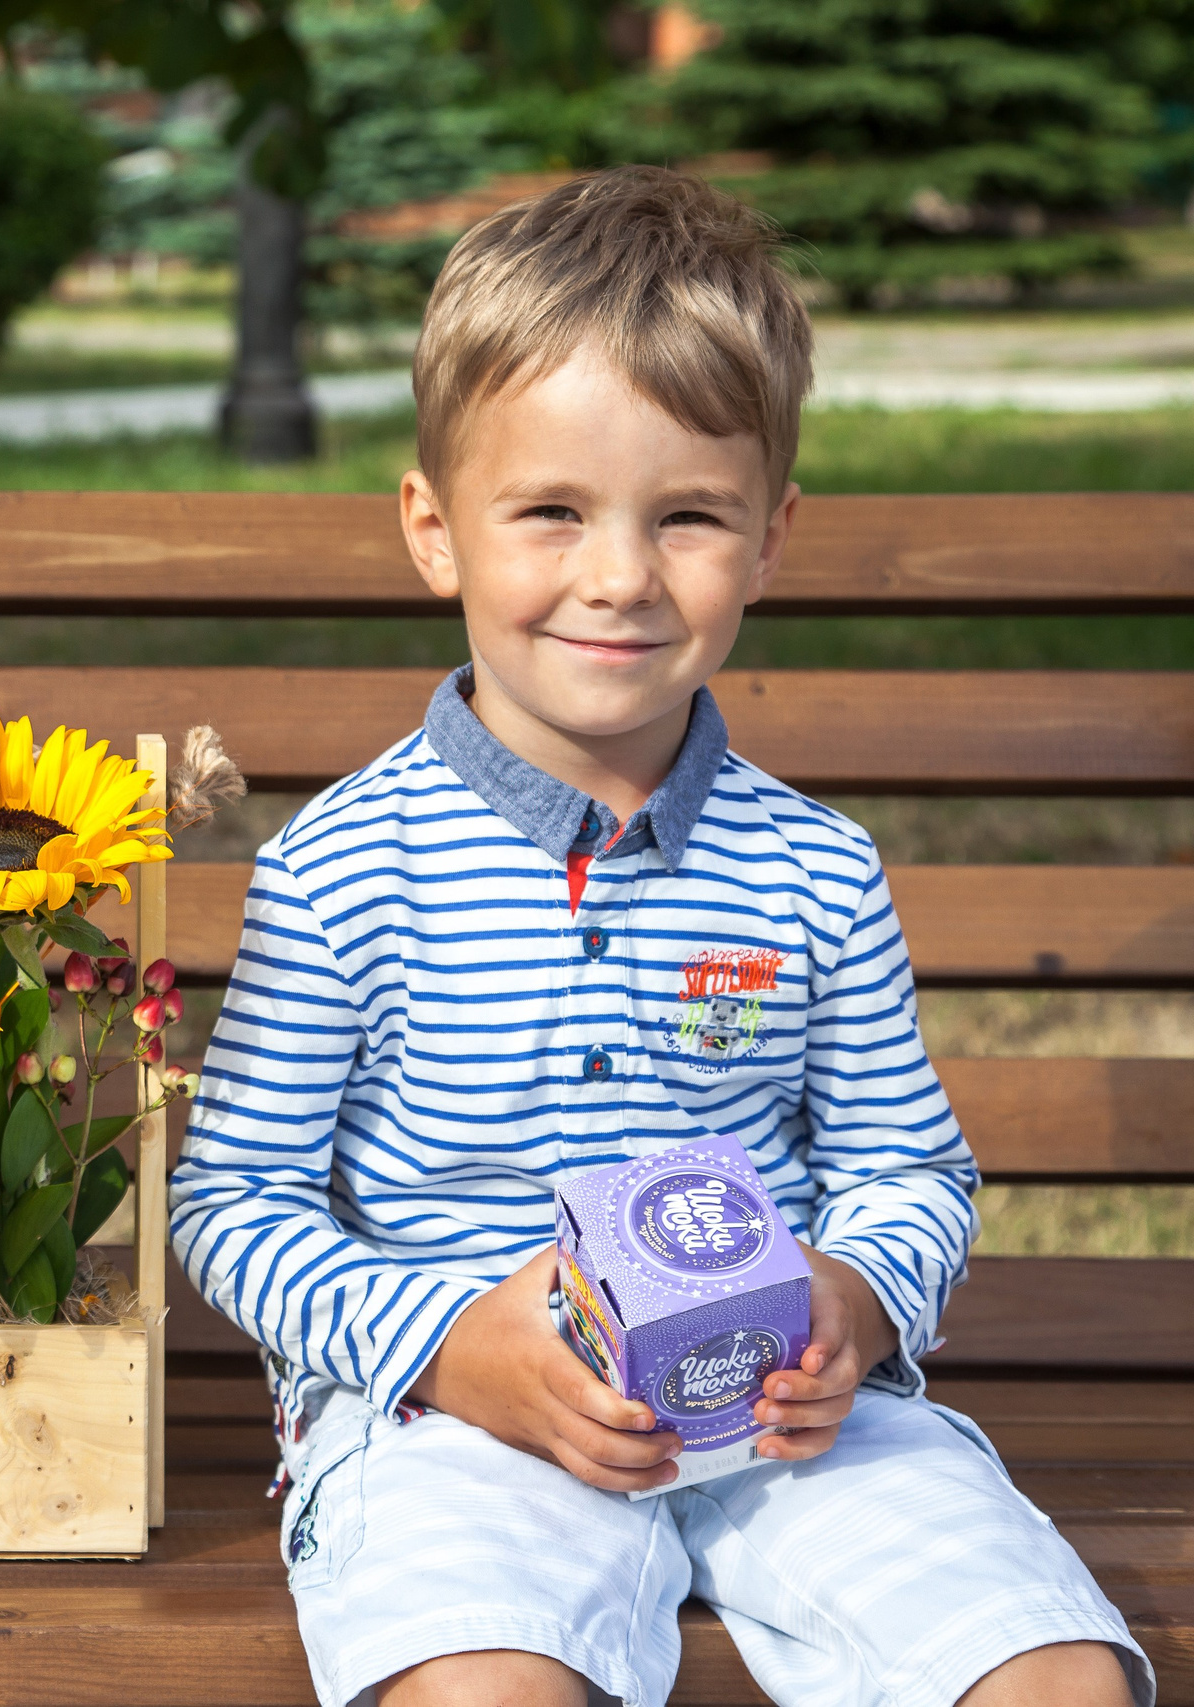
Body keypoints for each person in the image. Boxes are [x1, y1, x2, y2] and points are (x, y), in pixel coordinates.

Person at [168, 167, 1150, 1707]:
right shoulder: (345, 869)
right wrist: (446, 1347)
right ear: (435, 530)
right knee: (483, 1692)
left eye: (687, 517)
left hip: (788, 1424)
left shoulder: (814, 869)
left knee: (1052, 1682)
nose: (619, 577)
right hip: (460, 1429)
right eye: (550, 512)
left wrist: (854, 1297)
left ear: (769, 540)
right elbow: (236, 1203)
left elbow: (912, 1169)